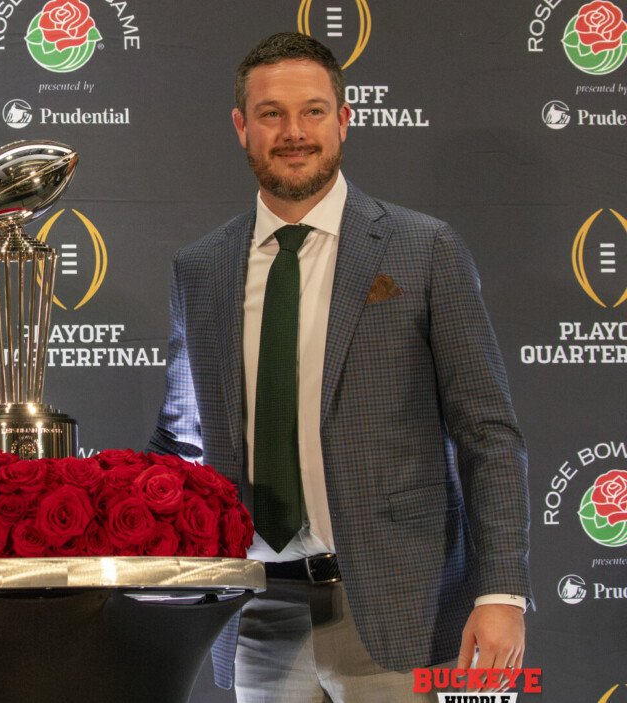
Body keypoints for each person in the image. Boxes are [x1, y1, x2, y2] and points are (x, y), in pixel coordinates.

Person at [147, 33, 531, 701]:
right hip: (258, 611)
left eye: (313, 111)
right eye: (271, 113)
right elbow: (182, 435)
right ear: (242, 127)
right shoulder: (200, 269)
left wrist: (502, 590)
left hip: (404, 611)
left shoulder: (423, 249)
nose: (293, 132)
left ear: (345, 119)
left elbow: (488, 435)